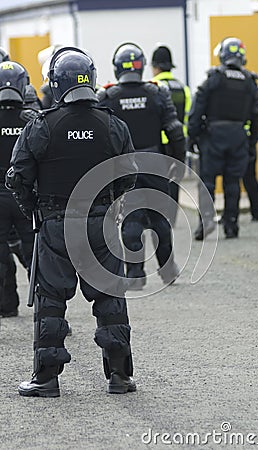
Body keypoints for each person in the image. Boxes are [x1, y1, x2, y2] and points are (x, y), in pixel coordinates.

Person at [7, 46, 137, 397]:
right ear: (91, 81)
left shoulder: (42, 126)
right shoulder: (113, 125)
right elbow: (130, 175)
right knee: (110, 297)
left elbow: (17, 177)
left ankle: (46, 379)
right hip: (100, 223)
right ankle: (120, 376)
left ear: (55, 83)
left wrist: (35, 208)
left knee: (50, 300)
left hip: (56, 223)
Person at [97, 42, 185, 290]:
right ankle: (168, 271)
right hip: (156, 164)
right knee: (160, 217)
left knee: (131, 217)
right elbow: (175, 131)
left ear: (117, 68)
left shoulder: (107, 96)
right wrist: (178, 164)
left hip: (125, 166)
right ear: (142, 66)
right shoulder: (157, 93)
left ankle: (135, 274)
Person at [188, 37, 258, 239]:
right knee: (232, 183)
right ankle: (231, 225)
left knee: (207, 183)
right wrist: (251, 141)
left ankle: (205, 224)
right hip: (238, 137)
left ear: (223, 55)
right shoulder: (249, 82)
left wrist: (193, 137)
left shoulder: (214, 78)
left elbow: (197, 109)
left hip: (213, 137)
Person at [0, 60, 37, 317]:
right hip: (25, 196)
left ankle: (7, 305)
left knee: (1, 256)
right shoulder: (34, 119)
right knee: (35, 255)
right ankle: (47, 310)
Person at [151, 44, 191, 226]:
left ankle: (160, 216)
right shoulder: (183, 88)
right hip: (178, 141)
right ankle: (172, 219)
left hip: (160, 141)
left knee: (158, 180)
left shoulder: (155, 87)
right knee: (175, 180)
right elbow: (187, 116)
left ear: (156, 67)